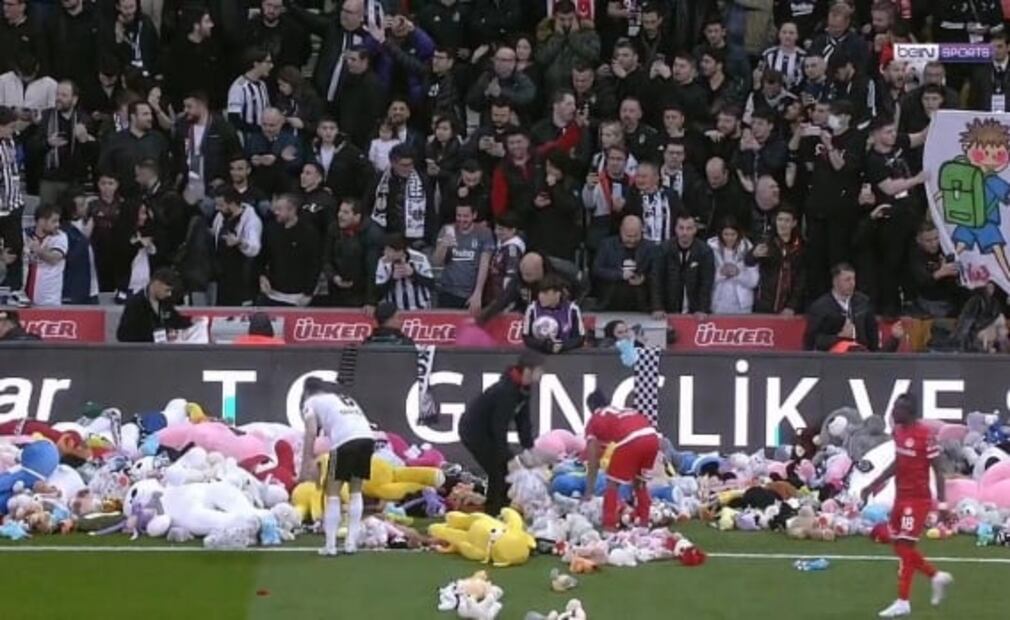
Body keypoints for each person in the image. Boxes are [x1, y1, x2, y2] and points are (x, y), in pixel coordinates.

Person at [860, 393, 953, 618]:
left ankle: (903, 601)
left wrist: (942, 505)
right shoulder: (898, 432)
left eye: (897, 409)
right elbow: (898, 462)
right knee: (899, 546)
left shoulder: (925, 436)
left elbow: (938, 471)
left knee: (905, 548)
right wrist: (874, 483)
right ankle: (936, 577)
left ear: (909, 412)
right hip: (900, 497)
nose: (893, 412)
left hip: (918, 500)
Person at [458, 350, 544, 517]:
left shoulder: (524, 389)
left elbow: (523, 421)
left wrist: (529, 448)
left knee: (503, 470)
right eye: (539, 370)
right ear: (528, 370)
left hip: (488, 432)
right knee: (498, 471)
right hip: (474, 431)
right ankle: (492, 513)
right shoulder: (506, 391)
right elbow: (499, 426)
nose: (541, 374)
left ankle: (501, 511)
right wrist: (506, 455)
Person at [298, 377, 375, 557]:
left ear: (307, 391)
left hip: (345, 441)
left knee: (332, 492)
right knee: (356, 491)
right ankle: (351, 544)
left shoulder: (311, 402)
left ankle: (330, 546)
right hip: (367, 438)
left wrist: (307, 462)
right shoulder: (340, 398)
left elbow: (310, 432)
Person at [582, 389, 660, 531]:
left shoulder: (594, 419)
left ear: (591, 407)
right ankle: (644, 524)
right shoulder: (622, 411)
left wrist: (589, 490)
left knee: (612, 484)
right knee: (640, 483)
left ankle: (609, 526)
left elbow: (592, 458)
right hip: (652, 437)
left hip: (630, 439)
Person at [434, 203, 492, 314]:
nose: (461, 219)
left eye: (465, 216)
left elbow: (484, 264)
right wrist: (443, 245)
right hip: (448, 292)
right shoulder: (447, 229)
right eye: (459, 215)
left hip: (471, 294)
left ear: (474, 215)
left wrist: (478, 293)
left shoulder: (484, 233)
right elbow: (437, 262)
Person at [116, 267, 192, 342]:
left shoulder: (164, 301)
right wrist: (159, 335)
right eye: (167, 290)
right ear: (157, 283)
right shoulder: (135, 303)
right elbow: (123, 335)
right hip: (143, 351)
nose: (169, 294)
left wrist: (191, 321)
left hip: (162, 349)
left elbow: (174, 319)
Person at [521, 273, 585, 354]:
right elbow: (526, 337)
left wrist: (562, 346)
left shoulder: (572, 309)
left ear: (557, 294)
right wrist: (544, 345)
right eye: (540, 293)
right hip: (539, 356)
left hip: (566, 357)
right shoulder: (532, 309)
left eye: (545, 293)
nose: (541, 296)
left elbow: (580, 337)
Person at [23, 203, 68, 307]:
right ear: (41, 221)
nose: (58, 225)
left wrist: (38, 250)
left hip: (49, 300)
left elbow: (54, 259)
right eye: (54, 221)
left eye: (58, 221)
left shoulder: (60, 237)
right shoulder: (24, 235)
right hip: (24, 299)